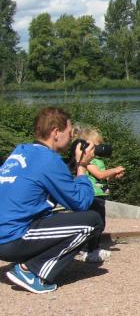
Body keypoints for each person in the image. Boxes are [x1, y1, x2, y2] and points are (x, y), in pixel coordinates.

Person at [0, 107, 103, 293]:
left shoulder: (20, 152)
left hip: (5, 233)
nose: (71, 139)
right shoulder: (48, 160)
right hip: (11, 239)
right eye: (69, 134)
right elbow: (81, 203)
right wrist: (82, 166)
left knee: (54, 216)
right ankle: (31, 271)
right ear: (56, 133)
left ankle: (28, 260)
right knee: (92, 221)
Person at [71, 125, 125, 262]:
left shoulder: (98, 160)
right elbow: (99, 175)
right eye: (97, 146)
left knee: (100, 222)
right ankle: (88, 250)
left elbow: (101, 178)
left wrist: (113, 175)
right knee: (96, 223)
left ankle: (94, 247)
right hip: (92, 196)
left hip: (99, 195)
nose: (100, 148)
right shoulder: (87, 161)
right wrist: (114, 169)